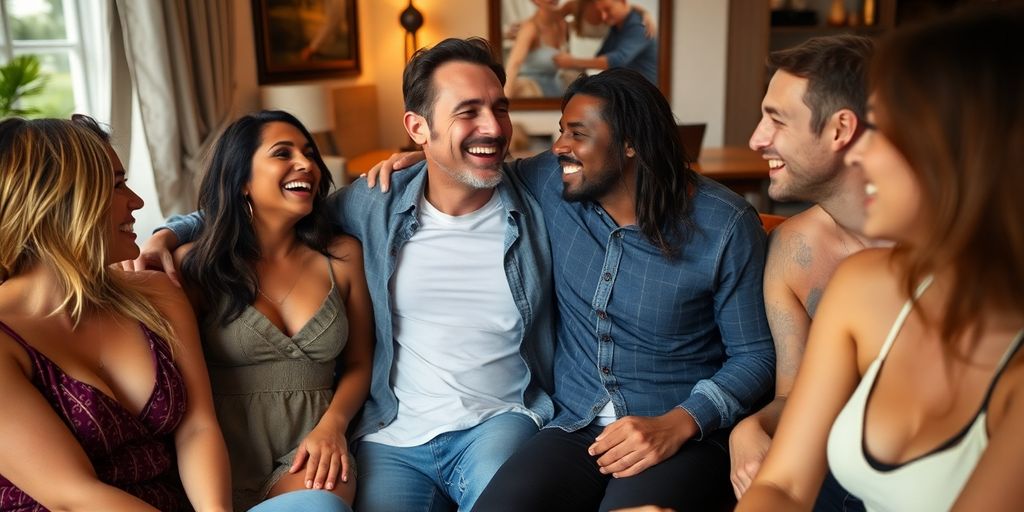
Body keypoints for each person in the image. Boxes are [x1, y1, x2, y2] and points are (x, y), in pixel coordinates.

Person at [134, 38, 556, 512]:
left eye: (500, 108)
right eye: (468, 111)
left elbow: (604, 163)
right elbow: (239, 217)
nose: (493, 127)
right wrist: (166, 233)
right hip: (391, 433)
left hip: (496, 421)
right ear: (418, 127)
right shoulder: (373, 204)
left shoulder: (540, 193)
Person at [369, 67, 774, 512]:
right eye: (561, 131)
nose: (559, 146)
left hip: (678, 431)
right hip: (574, 425)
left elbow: (755, 355)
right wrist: (420, 157)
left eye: (577, 134)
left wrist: (681, 422)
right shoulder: (551, 182)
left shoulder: (725, 224)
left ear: (630, 142)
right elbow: (469, 166)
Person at [738, 5, 1024, 511]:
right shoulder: (860, 283)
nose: (860, 154)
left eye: (886, 132)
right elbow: (780, 487)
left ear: (960, 156)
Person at [0, 116, 231, 511]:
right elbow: (72, 495)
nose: (137, 201)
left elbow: (198, 428)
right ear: (59, 200)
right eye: (117, 184)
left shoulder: (157, 296)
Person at [170, 110, 373, 512]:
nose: (306, 164)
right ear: (241, 180)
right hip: (220, 454)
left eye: (309, 153)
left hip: (312, 446)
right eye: (283, 153)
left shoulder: (343, 256)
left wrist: (333, 426)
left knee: (322, 507)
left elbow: (360, 362)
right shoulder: (193, 266)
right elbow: (180, 385)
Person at [730, 35, 882, 510]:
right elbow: (794, 395)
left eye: (776, 119)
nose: (756, 139)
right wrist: (750, 427)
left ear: (840, 129)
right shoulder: (793, 247)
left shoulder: (965, 250)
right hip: (832, 466)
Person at [553, 0, 658, 85]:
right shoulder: (616, 25)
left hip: (644, 93)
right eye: (601, 12)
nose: (603, 17)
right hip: (627, 87)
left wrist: (573, 61)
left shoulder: (639, 26)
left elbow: (617, 60)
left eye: (607, 10)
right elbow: (602, 55)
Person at [504, 0, 570, 98]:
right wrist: (504, 99)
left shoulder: (563, 24)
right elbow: (514, 64)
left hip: (555, 87)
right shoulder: (530, 28)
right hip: (532, 90)